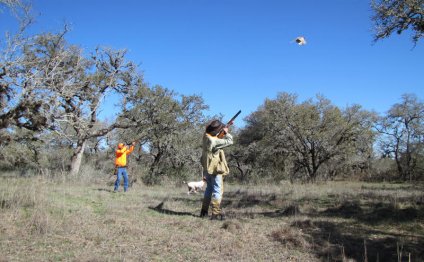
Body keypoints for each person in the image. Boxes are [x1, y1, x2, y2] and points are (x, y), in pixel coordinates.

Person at [200, 120, 233, 220]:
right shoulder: (214, 141)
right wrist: (227, 132)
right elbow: (229, 141)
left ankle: (204, 212)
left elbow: (216, 137)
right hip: (215, 169)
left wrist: (225, 128)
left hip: (207, 168)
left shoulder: (206, 136)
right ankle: (215, 213)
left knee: (209, 189)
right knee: (218, 191)